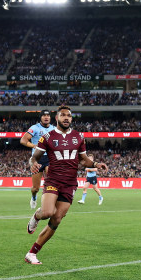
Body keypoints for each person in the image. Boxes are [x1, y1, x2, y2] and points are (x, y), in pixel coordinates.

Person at [25, 105, 108, 265]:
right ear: (57, 118)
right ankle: (37, 215)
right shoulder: (47, 137)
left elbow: (83, 160)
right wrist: (32, 163)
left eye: (69, 115)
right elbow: (35, 156)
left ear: (71, 118)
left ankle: (32, 253)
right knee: (48, 212)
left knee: (56, 220)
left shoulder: (79, 136)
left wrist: (96, 163)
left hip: (70, 183)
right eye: (63, 115)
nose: (66, 118)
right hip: (53, 180)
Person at [20, 109, 55, 208]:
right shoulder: (34, 128)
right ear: (41, 117)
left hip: (50, 158)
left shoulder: (54, 129)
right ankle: (34, 197)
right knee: (35, 188)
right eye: (44, 115)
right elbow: (23, 140)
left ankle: (48, 203)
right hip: (37, 159)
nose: (46, 117)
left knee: (50, 182)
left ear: (50, 118)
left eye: (48, 116)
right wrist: (34, 146)